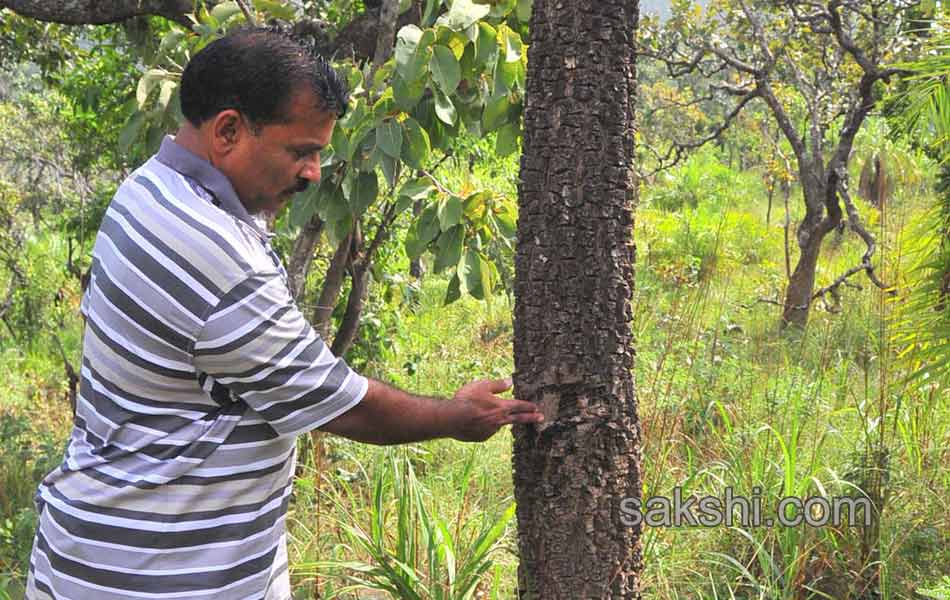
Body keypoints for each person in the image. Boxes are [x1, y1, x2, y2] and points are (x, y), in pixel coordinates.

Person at [26, 26, 543, 600]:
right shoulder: (209, 249)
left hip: (120, 549)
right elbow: (339, 405)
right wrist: (455, 416)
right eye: (302, 151)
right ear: (228, 130)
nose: (314, 172)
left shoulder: (149, 189)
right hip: (156, 575)